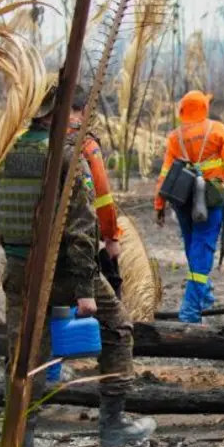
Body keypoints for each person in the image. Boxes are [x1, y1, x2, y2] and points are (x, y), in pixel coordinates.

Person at [0, 86, 155, 447]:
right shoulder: (66, 156)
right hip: (62, 269)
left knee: (25, 357)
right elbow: (82, 229)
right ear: (59, 113)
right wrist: (84, 290)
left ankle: (21, 446)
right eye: (73, 112)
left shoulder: (6, 153)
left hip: (18, 270)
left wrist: (18, 258)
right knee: (117, 328)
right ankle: (112, 423)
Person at [154, 91, 224, 323]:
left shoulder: (175, 137)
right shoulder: (217, 130)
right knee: (202, 249)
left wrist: (159, 205)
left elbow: (165, 174)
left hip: (182, 200)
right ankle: (190, 312)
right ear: (204, 107)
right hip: (211, 200)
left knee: (193, 246)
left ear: (182, 110)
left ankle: (205, 293)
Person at [67, 90, 124, 298]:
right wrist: (111, 237)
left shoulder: (46, 138)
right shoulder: (86, 144)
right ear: (84, 110)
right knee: (109, 300)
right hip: (83, 236)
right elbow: (102, 194)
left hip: (47, 239)